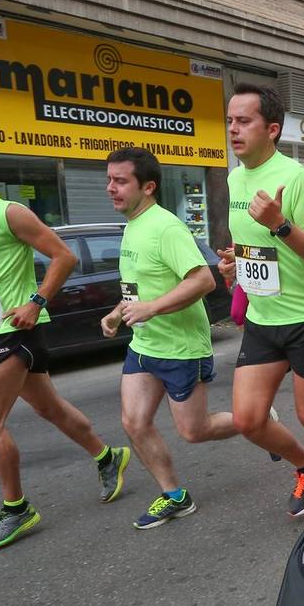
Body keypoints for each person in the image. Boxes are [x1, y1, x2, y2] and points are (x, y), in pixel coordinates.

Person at [0, 136, 129, 550]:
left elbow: (64, 256)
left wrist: (35, 302)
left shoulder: (8, 212)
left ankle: (17, 509)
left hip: (14, 329)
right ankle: (109, 457)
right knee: (49, 408)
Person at [217, 83, 304, 517]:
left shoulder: (295, 177)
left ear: (271, 128)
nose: (234, 129)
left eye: (245, 121)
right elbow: (250, 246)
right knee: (248, 420)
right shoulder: (234, 176)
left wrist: (279, 224)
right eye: (230, 120)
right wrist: (235, 264)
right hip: (262, 317)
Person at [99, 147, 236, 529]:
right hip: (143, 345)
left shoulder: (166, 227)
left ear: (148, 186)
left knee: (195, 430)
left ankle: (254, 420)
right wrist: (118, 311)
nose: (111, 187)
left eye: (120, 181)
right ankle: (174, 495)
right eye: (109, 179)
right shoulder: (131, 226)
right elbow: (139, 287)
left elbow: (203, 280)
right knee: (134, 422)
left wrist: (152, 308)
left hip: (180, 347)